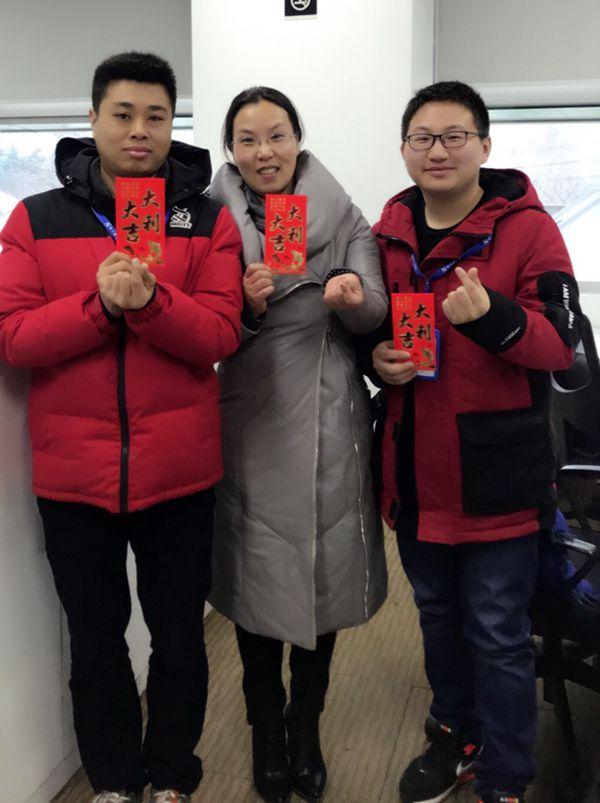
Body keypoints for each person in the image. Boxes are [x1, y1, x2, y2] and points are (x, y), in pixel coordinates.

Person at [0, 52, 243, 803]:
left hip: (181, 473)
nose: (140, 130)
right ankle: (112, 780)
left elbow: (220, 333)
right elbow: (14, 337)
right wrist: (100, 307)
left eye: (156, 116)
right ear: (93, 119)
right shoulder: (36, 217)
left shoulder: (205, 218)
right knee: (96, 642)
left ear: (173, 124)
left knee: (179, 637)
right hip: (74, 477)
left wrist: (151, 303)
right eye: (124, 114)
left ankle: (171, 775)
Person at [367, 81, 582, 803]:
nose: (438, 150)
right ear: (404, 150)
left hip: (496, 478)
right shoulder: (389, 230)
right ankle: (455, 734)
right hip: (413, 473)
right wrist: (376, 357)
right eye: (423, 138)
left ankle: (506, 775)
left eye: (455, 135)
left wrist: (494, 316)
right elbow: (375, 327)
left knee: (496, 632)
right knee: (437, 619)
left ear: (484, 145)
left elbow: (563, 349)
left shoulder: (529, 228)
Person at [209, 86, 388, 803]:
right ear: (231, 149)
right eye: (248, 139)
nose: (264, 152)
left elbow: (377, 307)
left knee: (322, 578)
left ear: (298, 138)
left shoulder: (342, 214)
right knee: (256, 576)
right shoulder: (206, 219)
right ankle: (264, 728)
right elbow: (195, 325)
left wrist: (352, 296)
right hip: (247, 413)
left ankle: (304, 724)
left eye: (277, 135)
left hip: (328, 407)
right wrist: (246, 307)